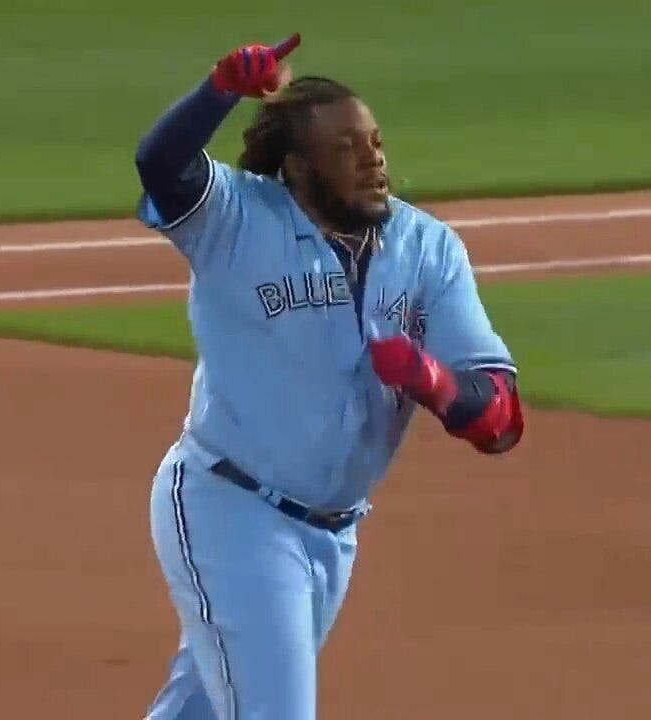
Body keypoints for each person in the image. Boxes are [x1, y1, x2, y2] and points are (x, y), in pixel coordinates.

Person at [132, 32, 524, 720]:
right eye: (345, 149)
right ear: (298, 168)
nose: (372, 161)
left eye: (374, 143)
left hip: (333, 532)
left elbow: (500, 418)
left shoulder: (427, 248)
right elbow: (162, 166)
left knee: (201, 710)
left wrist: (436, 383)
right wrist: (218, 92)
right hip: (231, 510)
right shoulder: (237, 219)